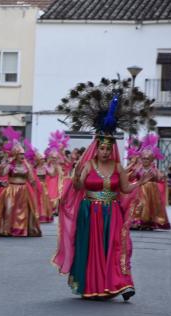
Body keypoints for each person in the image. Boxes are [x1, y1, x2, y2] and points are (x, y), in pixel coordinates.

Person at [53, 96, 150, 300]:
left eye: (108, 148)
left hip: (112, 212)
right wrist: (78, 176)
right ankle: (93, 285)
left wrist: (140, 183)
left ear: (112, 148)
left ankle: (122, 284)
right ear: (96, 148)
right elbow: (79, 187)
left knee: (116, 246)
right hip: (89, 213)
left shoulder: (118, 168)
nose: (105, 152)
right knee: (91, 250)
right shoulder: (88, 165)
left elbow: (124, 189)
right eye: (102, 148)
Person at [0, 126, 41, 237]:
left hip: (23, 190)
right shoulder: (11, 165)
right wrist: (7, 163)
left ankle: (21, 230)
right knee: (9, 210)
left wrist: (29, 167)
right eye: (20, 155)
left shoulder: (26, 166)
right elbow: (3, 174)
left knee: (23, 211)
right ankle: (6, 229)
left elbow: (31, 179)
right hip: (11, 189)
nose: (22, 156)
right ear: (16, 156)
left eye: (23, 154)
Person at [130, 133, 171, 230]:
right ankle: (137, 221)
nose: (145, 160)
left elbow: (160, 178)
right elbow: (132, 176)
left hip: (151, 192)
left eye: (147, 159)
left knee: (149, 206)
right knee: (140, 205)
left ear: (151, 159)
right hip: (139, 191)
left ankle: (148, 222)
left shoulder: (153, 169)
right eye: (143, 158)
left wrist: (159, 176)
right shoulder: (138, 167)